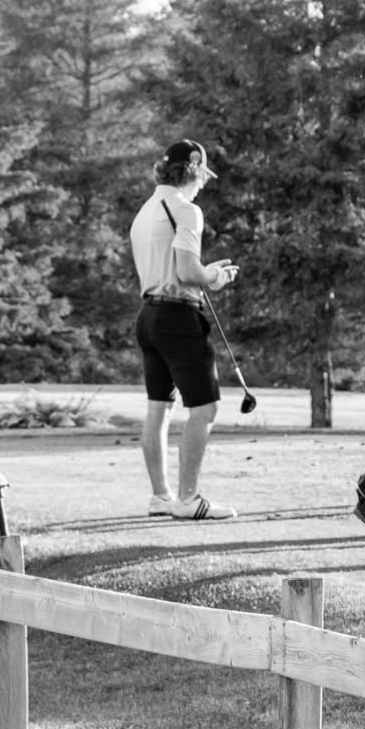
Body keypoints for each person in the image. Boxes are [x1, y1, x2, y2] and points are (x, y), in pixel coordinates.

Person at [127, 139, 241, 521]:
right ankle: (188, 499)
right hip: (177, 317)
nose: (204, 183)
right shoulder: (186, 210)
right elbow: (188, 273)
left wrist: (203, 272)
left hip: (149, 316)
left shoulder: (144, 212)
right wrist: (215, 276)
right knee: (204, 408)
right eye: (203, 175)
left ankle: (161, 496)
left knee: (159, 407)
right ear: (192, 170)